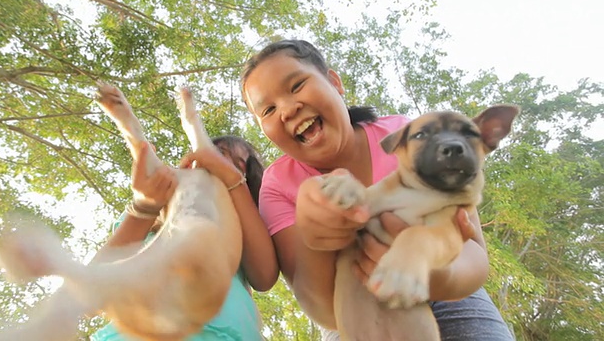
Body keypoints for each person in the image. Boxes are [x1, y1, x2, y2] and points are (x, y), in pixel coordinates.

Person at [240, 39, 514, 340]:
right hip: (350, 314)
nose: (288, 110)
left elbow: (474, 256)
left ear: (334, 82)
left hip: (448, 297)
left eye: (296, 86)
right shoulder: (278, 186)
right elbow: (322, 309)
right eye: (267, 110)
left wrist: (430, 274)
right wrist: (315, 238)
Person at [91, 136, 277, 341]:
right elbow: (92, 287)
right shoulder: (149, 216)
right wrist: (146, 207)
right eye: (197, 155)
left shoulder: (242, 227)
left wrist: (233, 182)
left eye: (220, 155)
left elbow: (264, 276)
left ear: (244, 172)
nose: (201, 161)